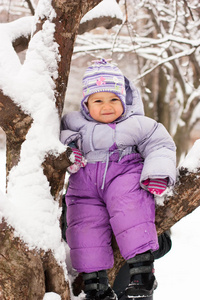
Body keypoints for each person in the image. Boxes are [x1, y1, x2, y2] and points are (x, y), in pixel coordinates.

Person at [60, 59, 176, 299]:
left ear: (125, 100)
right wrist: (70, 149)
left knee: (131, 205)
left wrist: (157, 173)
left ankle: (142, 273)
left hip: (123, 173)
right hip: (85, 186)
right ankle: (95, 286)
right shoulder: (74, 123)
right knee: (83, 226)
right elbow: (61, 138)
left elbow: (160, 145)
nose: (107, 107)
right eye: (98, 100)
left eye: (114, 99)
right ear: (86, 104)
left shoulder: (137, 124)